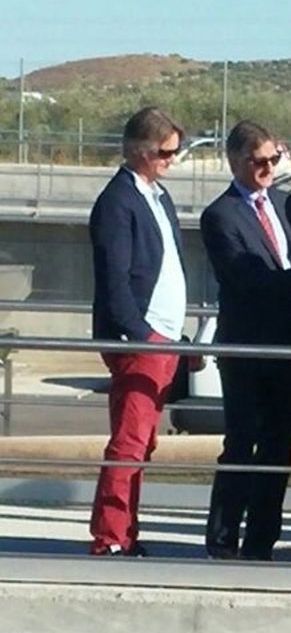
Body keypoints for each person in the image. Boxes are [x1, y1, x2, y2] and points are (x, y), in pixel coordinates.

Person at [200, 122, 291, 561]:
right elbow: (247, 279)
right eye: (259, 161)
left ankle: (261, 540)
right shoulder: (220, 215)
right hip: (246, 348)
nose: (269, 168)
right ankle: (223, 539)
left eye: (274, 159)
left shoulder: (287, 204)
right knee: (241, 443)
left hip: (289, 346)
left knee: (279, 446)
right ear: (235, 162)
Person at [88, 105, 190, 557]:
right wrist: (138, 334)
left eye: (175, 152)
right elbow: (114, 279)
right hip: (141, 340)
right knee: (130, 440)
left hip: (164, 338)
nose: (172, 160)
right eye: (165, 152)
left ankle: (126, 533)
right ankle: (110, 537)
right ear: (138, 150)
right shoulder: (117, 202)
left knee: (143, 441)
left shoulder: (158, 196)